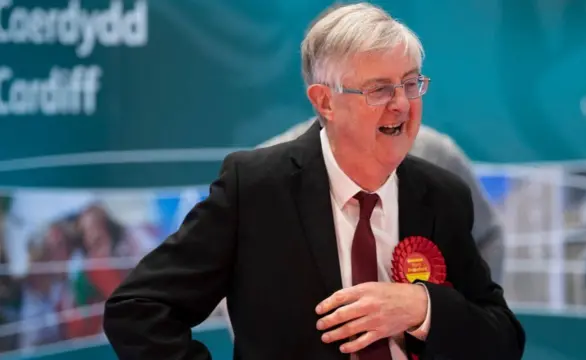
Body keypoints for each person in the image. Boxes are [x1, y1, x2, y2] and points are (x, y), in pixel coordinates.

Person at [103, 3, 525, 360]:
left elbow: (502, 338)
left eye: (411, 84)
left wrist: (423, 307)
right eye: (379, 90)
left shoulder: (443, 194)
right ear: (325, 102)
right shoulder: (254, 188)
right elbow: (138, 309)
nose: (402, 104)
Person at [259, 118, 505, 284]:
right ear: (323, 94)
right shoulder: (268, 173)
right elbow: (238, 269)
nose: (394, 101)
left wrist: (468, 328)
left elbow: (487, 236)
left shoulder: (437, 156)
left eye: (406, 83)